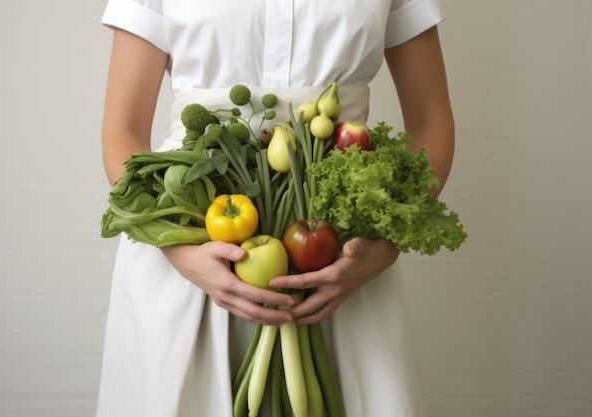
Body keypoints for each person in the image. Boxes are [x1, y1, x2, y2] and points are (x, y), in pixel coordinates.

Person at [96, 1, 455, 416]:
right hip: (191, 240)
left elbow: (431, 121)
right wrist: (178, 250)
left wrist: (386, 243)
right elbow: (122, 129)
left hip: (340, 256)